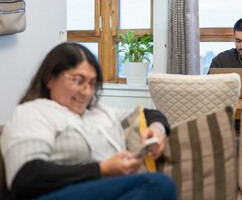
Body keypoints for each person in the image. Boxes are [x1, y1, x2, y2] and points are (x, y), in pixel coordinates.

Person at [1, 43, 177, 200]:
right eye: (78, 81)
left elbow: (148, 114)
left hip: (107, 190)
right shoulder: (34, 111)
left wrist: (157, 129)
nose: (87, 92)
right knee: (158, 184)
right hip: (54, 193)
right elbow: (25, 177)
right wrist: (103, 169)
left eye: (92, 83)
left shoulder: (98, 113)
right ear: (49, 79)